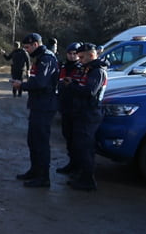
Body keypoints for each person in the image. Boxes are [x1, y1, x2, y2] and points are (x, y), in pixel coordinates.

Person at [15, 33, 60, 188]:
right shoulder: (41, 58)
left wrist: (21, 85)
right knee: (33, 140)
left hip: (44, 105)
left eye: (27, 47)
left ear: (35, 44)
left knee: (40, 142)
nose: (26, 50)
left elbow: (40, 83)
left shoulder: (46, 59)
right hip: (38, 104)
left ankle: (43, 177)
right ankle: (35, 171)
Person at [65, 43, 108, 191]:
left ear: (91, 55)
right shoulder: (88, 69)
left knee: (86, 148)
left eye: (82, 57)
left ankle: (88, 180)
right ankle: (82, 175)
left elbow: (89, 91)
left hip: (90, 113)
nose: (79, 60)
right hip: (83, 112)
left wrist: (72, 86)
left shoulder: (97, 71)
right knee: (80, 146)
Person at [56, 41, 83, 175]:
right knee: (67, 136)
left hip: (76, 107)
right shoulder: (64, 67)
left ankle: (78, 166)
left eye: (75, 54)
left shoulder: (81, 68)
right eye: (70, 54)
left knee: (77, 140)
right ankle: (72, 163)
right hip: (65, 106)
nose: (72, 56)